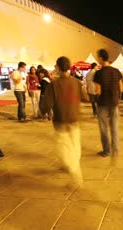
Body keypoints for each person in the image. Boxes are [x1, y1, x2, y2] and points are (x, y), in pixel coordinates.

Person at [43, 56, 83, 184]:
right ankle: (73, 164)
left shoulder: (54, 84)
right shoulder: (77, 82)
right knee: (75, 145)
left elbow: (46, 104)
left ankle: (75, 171)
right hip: (74, 118)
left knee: (64, 147)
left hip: (61, 120)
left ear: (58, 67)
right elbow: (84, 97)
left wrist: (42, 110)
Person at [93, 49, 123, 157]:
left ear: (101, 58)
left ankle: (106, 150)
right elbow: (120, 86)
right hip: (114, 102)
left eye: (98, 57)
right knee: (114, 127)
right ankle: (115, 148)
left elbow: (98, 90)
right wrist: (118, 97)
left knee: (104, 128)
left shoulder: (99, 73)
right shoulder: (116, 71)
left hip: (103, 103)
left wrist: (95, 96)